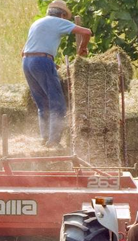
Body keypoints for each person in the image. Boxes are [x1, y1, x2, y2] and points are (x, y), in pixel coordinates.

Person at [22, 0, 91, 148]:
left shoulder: (37, 23)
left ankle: (45, 138)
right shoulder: (57, 21)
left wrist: (50, 62)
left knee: (42, 104)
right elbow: (87, 32)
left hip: (27, 62)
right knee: (58, 104)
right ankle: (53, 142)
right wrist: (82, 48)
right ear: (62, 15)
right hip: (41, 61)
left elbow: (26, 50)